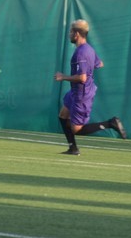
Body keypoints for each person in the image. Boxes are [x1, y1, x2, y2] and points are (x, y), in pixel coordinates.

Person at [54, 19, 126, 155]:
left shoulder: (81, 52)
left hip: (82, 93)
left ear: (76, 34)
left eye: (70, 32)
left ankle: (110, 123)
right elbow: (100, 64)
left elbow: (82, 78)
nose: (69, 34)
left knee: (77, 129)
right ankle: (73, 148)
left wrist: (62, 76)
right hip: (75, 92)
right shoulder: (88, 49)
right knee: (63, 115)